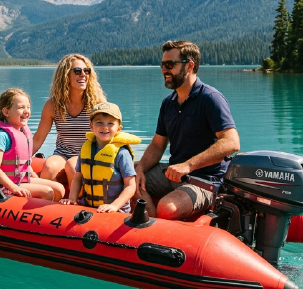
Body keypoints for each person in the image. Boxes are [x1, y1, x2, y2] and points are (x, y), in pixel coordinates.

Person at [134, 40, 240, 221]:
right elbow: (158, 144)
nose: (164, 71)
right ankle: (152, 228)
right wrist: (140, 170)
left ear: (189, 66)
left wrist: (187, 165)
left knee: (167, 208)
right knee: (128, 178)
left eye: (169, 65)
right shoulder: (168, 103)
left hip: (206, 181)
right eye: (162, 65)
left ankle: (157, 228)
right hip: (173, 174)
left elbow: (232, 142)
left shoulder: (211, 98)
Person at [32, 54, 107, 191]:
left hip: (88, 154)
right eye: (78, 71)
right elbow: (38, 139)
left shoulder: (98, 104)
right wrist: (16, 160)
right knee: (49, 167)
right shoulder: (53, 105)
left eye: (87, 71)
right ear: (65, 75)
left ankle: (77, 205)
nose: (83, 74)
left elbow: (109, 135)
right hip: (62, 153)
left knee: (73, 166)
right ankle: (50, 205)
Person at [0, 88, 65, 201]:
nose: (26, 111)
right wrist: (13, 188)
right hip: (2, 184)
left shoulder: (22, 131)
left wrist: (36, 178)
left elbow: (24, 165)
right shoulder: (1, 135)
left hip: (21, 179)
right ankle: (40, 216)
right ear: (6, 112)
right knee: (47, 192)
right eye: (21, 108)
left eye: (28, 107)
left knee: (59, 188)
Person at [61, 103, 140, 213]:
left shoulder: (122, 153)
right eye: (99, 123)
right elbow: (78, 177)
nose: (104, 127)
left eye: (110, 123)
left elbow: (130, 186)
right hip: (88, 206)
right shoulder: (86, 149)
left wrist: (114, 206)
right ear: (91, 126)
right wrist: (72, 199)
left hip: (116, 211)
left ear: (119, 129)